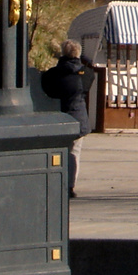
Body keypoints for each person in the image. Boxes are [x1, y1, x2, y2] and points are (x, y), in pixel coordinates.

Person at [41, 40, 96, 199]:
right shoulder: (86, 74)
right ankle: (70, 186)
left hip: (57, 118)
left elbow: (47, 89)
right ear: (78, 54)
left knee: (55, 153)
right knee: (74, 153)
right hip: (78, 117)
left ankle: (54, 182)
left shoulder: (51, 75)